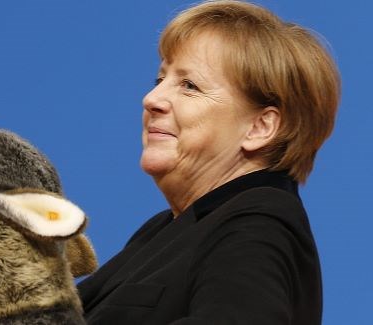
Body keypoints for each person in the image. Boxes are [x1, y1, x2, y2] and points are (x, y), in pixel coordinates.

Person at [77, 1, 340, 324]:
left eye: (189, 86)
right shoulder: (164, 229)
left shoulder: (257, 225)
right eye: (160, 80)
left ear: (260, 127)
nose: (152, 99)